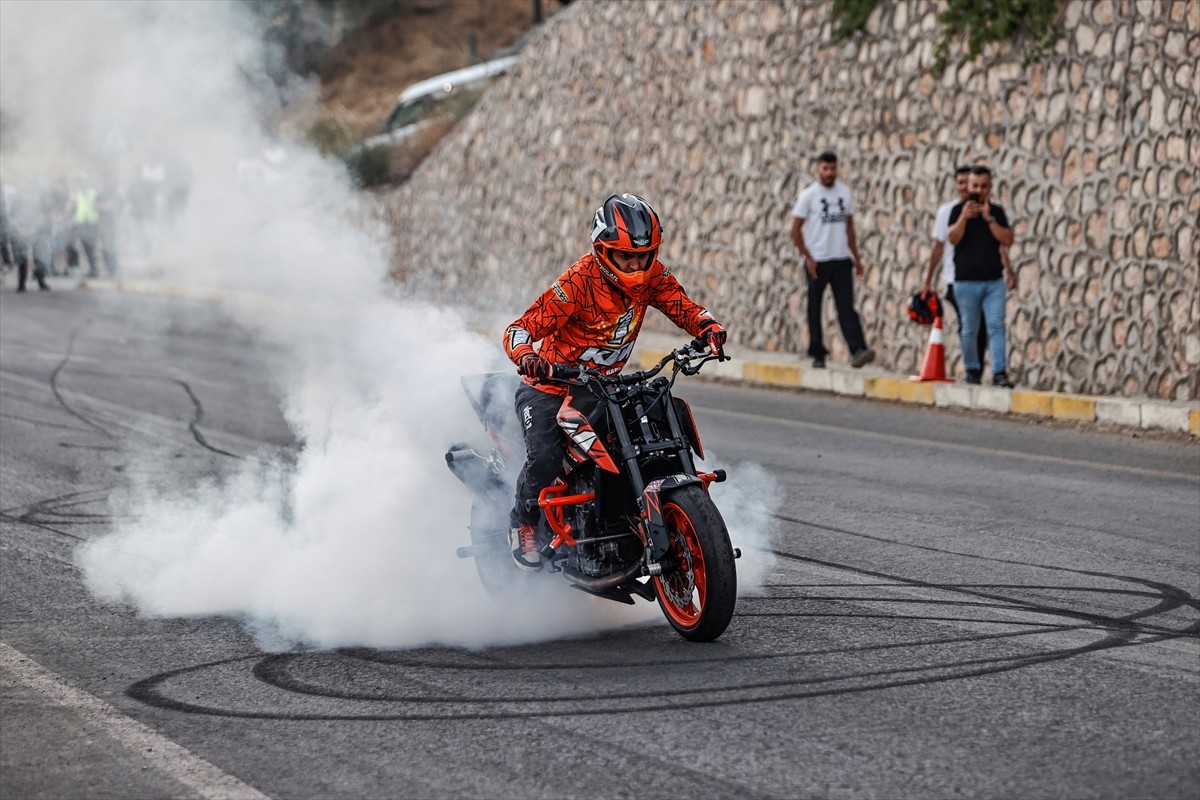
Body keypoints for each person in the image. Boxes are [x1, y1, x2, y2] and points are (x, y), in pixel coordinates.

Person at [502, 193, 727, 571]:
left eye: (644, 256)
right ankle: (522, 523)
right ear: (603, 251)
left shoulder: (653, 276)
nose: (637, 266)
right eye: (627, 257)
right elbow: (519, 329)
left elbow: (680, 304)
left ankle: (631, 518)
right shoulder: (577, 282)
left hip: (602, 387)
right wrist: (529, 357)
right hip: (550, 388)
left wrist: (707, 327)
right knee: (544, 457)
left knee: (648, 427)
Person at [790, 150, 875, 369]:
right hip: (817, 260)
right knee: (815, 309)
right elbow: (795, 230)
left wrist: (855, 257)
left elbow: (849, 228)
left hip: (840, 259)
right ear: (818, 169)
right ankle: (817, 353)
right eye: (825, 168)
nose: (829, 172)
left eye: (833, 168)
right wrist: (807, 257)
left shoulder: (845, 193)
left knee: (846, 307)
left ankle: (858, 349)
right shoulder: (809, 195)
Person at [946, 166, 1016, 387]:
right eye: (975, 186)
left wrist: (989, 219)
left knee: (996, 326)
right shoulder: (958, 211)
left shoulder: (997, 212)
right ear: (968, 186)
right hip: (966, 282)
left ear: (990, 187)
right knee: (969, 328)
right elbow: (953, 239)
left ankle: (999, 372)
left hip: (993, 281)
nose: (979, 191)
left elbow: (1007, 240)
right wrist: (965, 219)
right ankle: (972, 369)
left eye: (984, 186)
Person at [924, 165, 988, 368]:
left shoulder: (985, 211)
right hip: (955, 279)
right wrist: (928, 280)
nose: (963, 187)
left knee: (982, 325)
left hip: (980, 278)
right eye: (959, 182)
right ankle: (972, 367)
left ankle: (975, 366)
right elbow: (938, 247)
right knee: (968, 323)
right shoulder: (948, 211)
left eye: (966, 183)